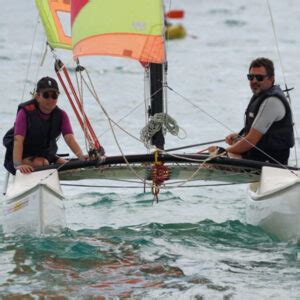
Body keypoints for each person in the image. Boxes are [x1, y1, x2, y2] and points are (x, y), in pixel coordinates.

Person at [210, 57, 294, 165]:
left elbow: (251, 140)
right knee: (212, 151)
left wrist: (223, 152)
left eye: (259, 77)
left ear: (271, 78)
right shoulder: (261, 95)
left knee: (214, 152)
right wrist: (239, 136)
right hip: (255, 157)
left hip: (270, 165)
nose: (254, 81)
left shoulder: (272, 101)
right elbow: (259, 133)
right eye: (251, 77)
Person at [3, 76, 89, 174]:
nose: (50, 99)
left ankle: (54, 161)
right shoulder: (25, 112)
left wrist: (80, 156)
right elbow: (18, 140)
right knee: (43, 163)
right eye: (46, 95)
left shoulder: (61, 115)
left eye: (54, 96)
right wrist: (18, 165)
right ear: (38, 96)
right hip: (20, 156)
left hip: (44, 154)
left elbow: (69, 138)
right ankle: (48, 164)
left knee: (73, 169)